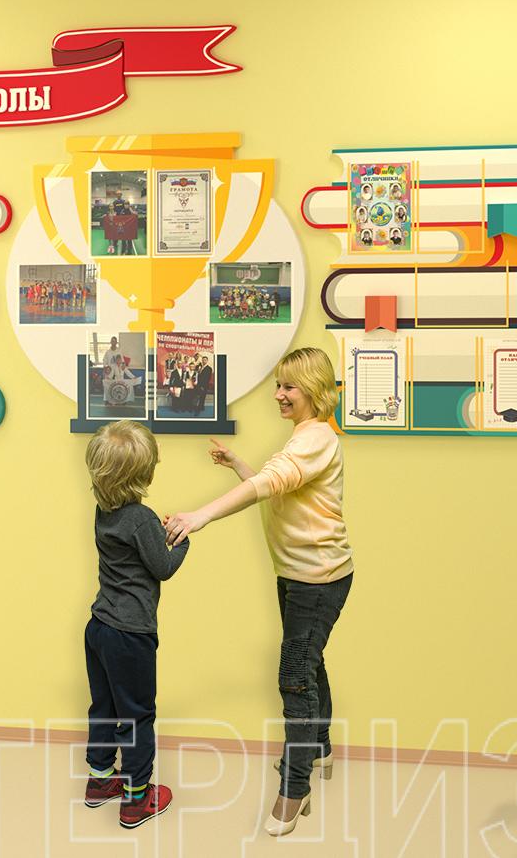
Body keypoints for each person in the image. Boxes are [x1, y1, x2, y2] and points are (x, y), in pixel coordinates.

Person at [163, 347, 352, 837]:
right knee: (308, 662)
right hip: (298, 574)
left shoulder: (315, 438)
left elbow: (270, 484)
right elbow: (275, 487)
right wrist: (238, 465)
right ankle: (319, 749)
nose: (279, 395)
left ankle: (296, 786)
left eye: (289, 386)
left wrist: (200, 516)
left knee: (295, 676)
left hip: (317, 579)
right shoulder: (306, 437)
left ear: (314, 389)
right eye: (278, 385)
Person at [81, 421, 188, 828]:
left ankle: (99, 780)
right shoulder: (141, 518)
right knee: (138, 715)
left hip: (99, 627)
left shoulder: (103, 510)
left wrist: (155, 536)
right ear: (142, 475)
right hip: (131, 634)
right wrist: (180, 540)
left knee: (105, 708)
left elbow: (131, 554)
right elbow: (162, 567)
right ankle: (137, 798)